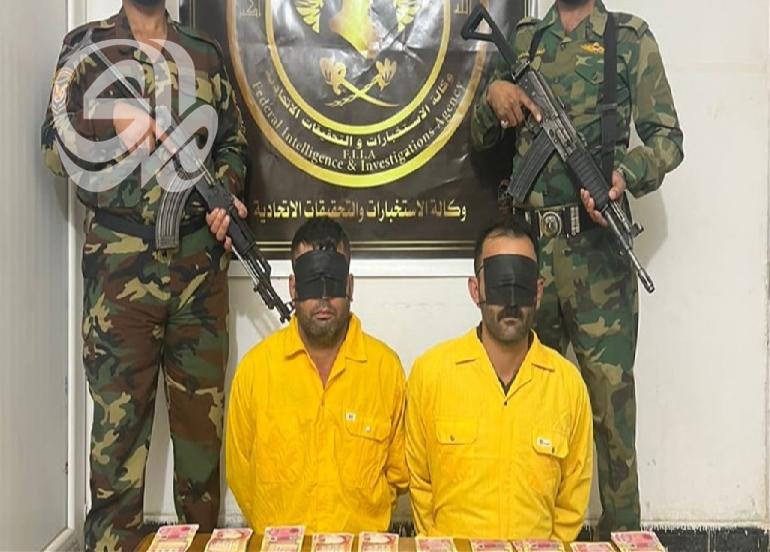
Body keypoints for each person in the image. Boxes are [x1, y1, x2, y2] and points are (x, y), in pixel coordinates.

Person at [470, 0, 684, 538]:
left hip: (599, 259)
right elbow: (481, 137)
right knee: (521, 400)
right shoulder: (524, 38)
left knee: (612, 417)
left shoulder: (628, 38)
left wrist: (623, 175)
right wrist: (494, 97)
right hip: (528, 260)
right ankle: (523, 537)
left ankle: (624, 539)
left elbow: (668, 140)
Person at [41, 0, 248, 549]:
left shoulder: (204, 53)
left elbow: (233, 144)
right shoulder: (85, 50)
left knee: (201, 446)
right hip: (119, 273)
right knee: (117, 443)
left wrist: (225, 193)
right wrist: (112, 119)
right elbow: (54, 150)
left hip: (199, 271)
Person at [406, 217, 593, 542]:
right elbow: (420, 484)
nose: (510, 301)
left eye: (521, 282)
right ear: (475, 289)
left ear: (537, 292)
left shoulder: (567, 386)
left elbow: (572, 500)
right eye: (498, 282)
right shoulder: (431, 375)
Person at [226, 217, 408, 533]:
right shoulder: (255, 371)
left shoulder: (385, 370)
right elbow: (240, 473)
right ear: (293, 287)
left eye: (333, 281)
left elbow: (398, 475)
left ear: (349, 286)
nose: (323, 298)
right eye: (311, 281)